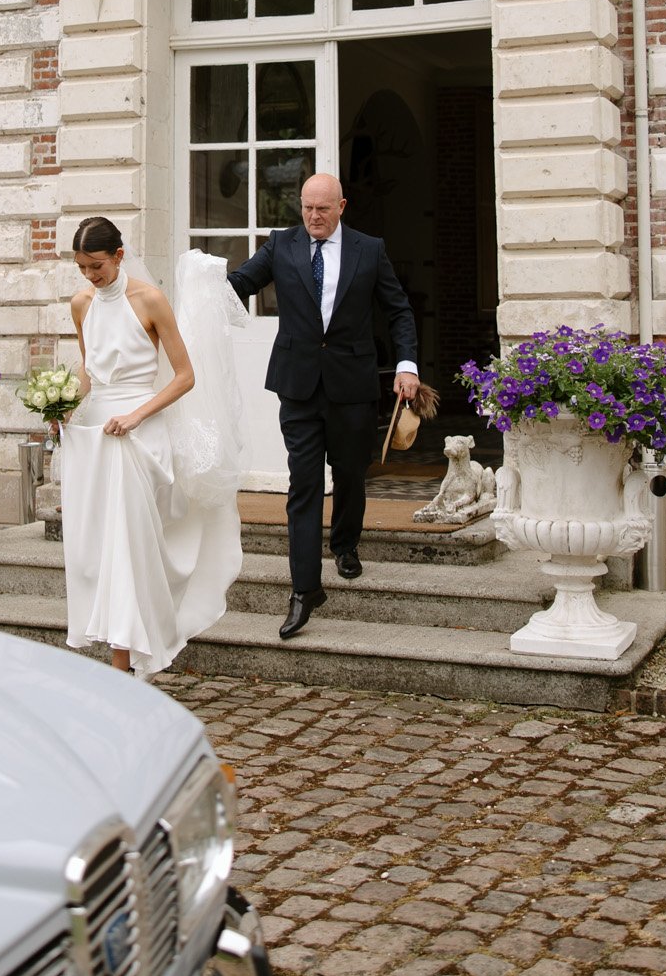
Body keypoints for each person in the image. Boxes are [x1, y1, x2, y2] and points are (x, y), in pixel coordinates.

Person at [228, 173, 419, 640]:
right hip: (297, 387)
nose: (314, 217)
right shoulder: (281, 245)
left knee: (351, 472)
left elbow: (398, 310)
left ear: (341, 207)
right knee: (305, 485)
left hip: (352, 384)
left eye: (323, 209)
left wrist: (407, 365)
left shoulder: (368, 249)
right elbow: (241, 284)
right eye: (307, 208)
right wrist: (198, 287)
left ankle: (346, 543)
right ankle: (304, 589)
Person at [61, 216, 242, 676]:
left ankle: (122, 663)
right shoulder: (81, 304)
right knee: (97, 547)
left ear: (119, 256)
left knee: (126, 543)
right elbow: (90, 370)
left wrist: (139, 415)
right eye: (81, 267)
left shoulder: (150, 300)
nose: (89, 276)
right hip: (97, 436)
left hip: (141, 432)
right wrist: (63, 407)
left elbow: (185, 376)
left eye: (96, 266)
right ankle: (119, 654)